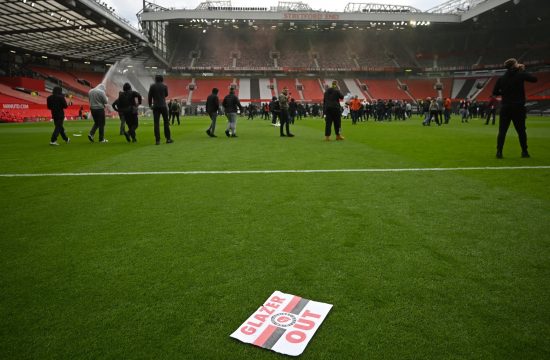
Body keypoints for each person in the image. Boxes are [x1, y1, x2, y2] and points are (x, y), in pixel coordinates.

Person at [492, 58, 538, 158]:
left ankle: (499, 152)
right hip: (518, 107)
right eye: (517, 63)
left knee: (502, 131)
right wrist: (523, 70)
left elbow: (495, 92)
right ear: (514, 65)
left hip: (505, 107)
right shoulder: (521, 74)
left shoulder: (502, 78)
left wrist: (504, 92)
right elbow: (534, 79)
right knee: (521, 131)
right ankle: (524, 152)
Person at [148, 75, 173, 145]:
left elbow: (149, 96)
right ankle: (168, 139)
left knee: (156, 123)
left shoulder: (152, 86)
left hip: (155, 106)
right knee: (166, 122)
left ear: (155, 79)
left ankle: (157, 140)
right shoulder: (164, 86)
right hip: (163, 105)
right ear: (162, 79)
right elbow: (166, 95)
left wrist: (150, 105)